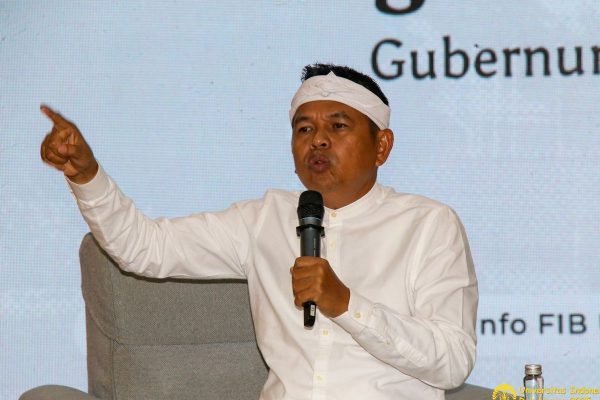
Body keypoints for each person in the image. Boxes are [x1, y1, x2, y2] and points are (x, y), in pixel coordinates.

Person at [40, 63, 478, 400]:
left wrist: (347, 305)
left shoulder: (429, 225)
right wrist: (87, 176)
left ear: (381, 146)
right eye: (304, 128)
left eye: (338, 126)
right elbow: (144, 248)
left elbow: (453, 361)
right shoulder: (262, 219)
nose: (318, 140)